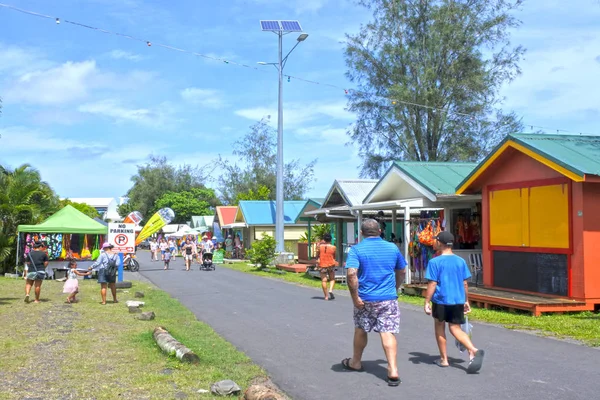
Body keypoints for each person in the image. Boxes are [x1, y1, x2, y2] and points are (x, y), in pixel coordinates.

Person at [342, 219, 406, 387]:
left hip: (365, 298)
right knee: (387, 332)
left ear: (361, 233)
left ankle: (355, 362)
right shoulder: (392, 248)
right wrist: (395, 288)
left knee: (361, 329)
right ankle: (393, 370)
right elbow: (402, 270)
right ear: (380, 231)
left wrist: (355, 298)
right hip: (387, 298)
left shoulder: (356, 250)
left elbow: (351, 274)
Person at [424, 231, 484, 373]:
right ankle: (472, 349)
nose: (434, 242)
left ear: (440, 243)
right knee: (455, 328)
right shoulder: (460, 261)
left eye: (435, 240)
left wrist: (427, 301)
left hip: (441, 300)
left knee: (439, 327)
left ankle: (444, 360)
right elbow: (465, 284)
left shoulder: (434, 262)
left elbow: (432, 284)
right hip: (457, 299)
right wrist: (466, 300)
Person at [316, 233, 337, 300]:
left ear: (324, 239)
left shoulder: (319, 247)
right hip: (331, 264)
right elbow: (334, 256)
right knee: (332, 279)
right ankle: (330, 290)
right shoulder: (333, 247)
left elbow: (317, 255)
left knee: (324, 280)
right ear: (330, 239)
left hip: (322, 264)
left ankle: (326, 296)